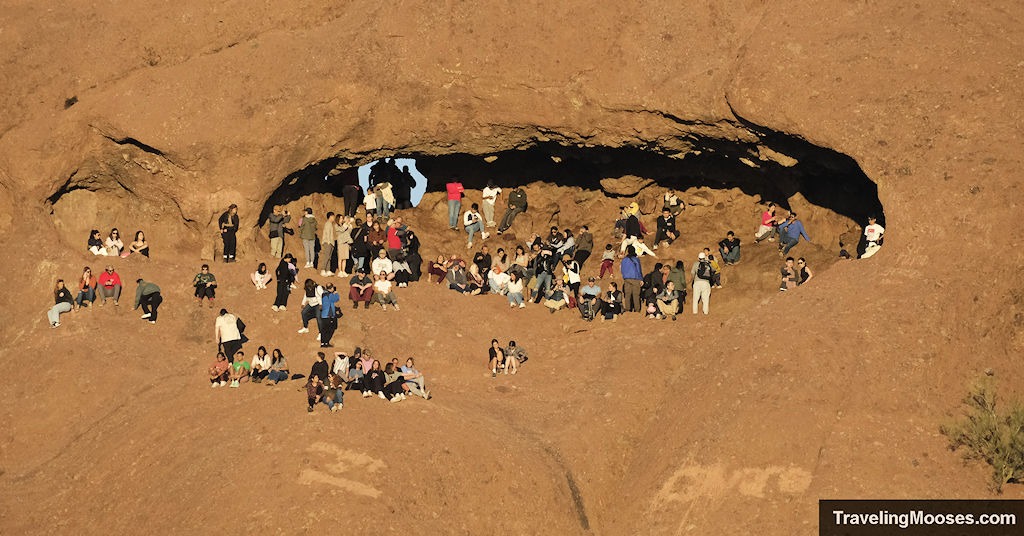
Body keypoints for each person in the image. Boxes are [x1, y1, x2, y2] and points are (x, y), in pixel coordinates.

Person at [621, 246, 643, 313]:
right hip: (635, 278)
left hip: (627, 279)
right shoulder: (636, 259)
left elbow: (622, 270)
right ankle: (637, 310)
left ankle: (628, 309)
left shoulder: (624, 259)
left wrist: (625, 276)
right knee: (636, 295)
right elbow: (638, 270)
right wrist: (641, 279)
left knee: (627, 295)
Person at [319, 211, 336, 276]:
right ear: (331, 217)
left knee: (329, 257)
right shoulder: (328, 223)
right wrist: (329, 242)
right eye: (333, 216)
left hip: (330, 242)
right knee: (326, 257)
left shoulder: (330, 224)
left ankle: (328, 270)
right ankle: (323, 270)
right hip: (328, 242)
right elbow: (327, 234)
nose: (334, 218)